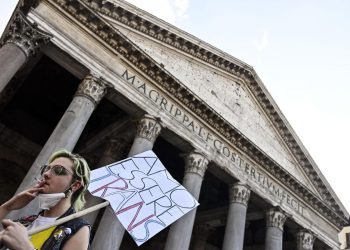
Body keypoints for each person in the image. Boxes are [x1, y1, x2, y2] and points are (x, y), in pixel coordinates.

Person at [0, 149, 91, 250]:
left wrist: (25, 247)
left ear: (75, 185)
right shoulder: (25, 221)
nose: (46, 174)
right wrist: (8, 207)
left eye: (58, 170)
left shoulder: (78, 228)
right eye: (45, 169)